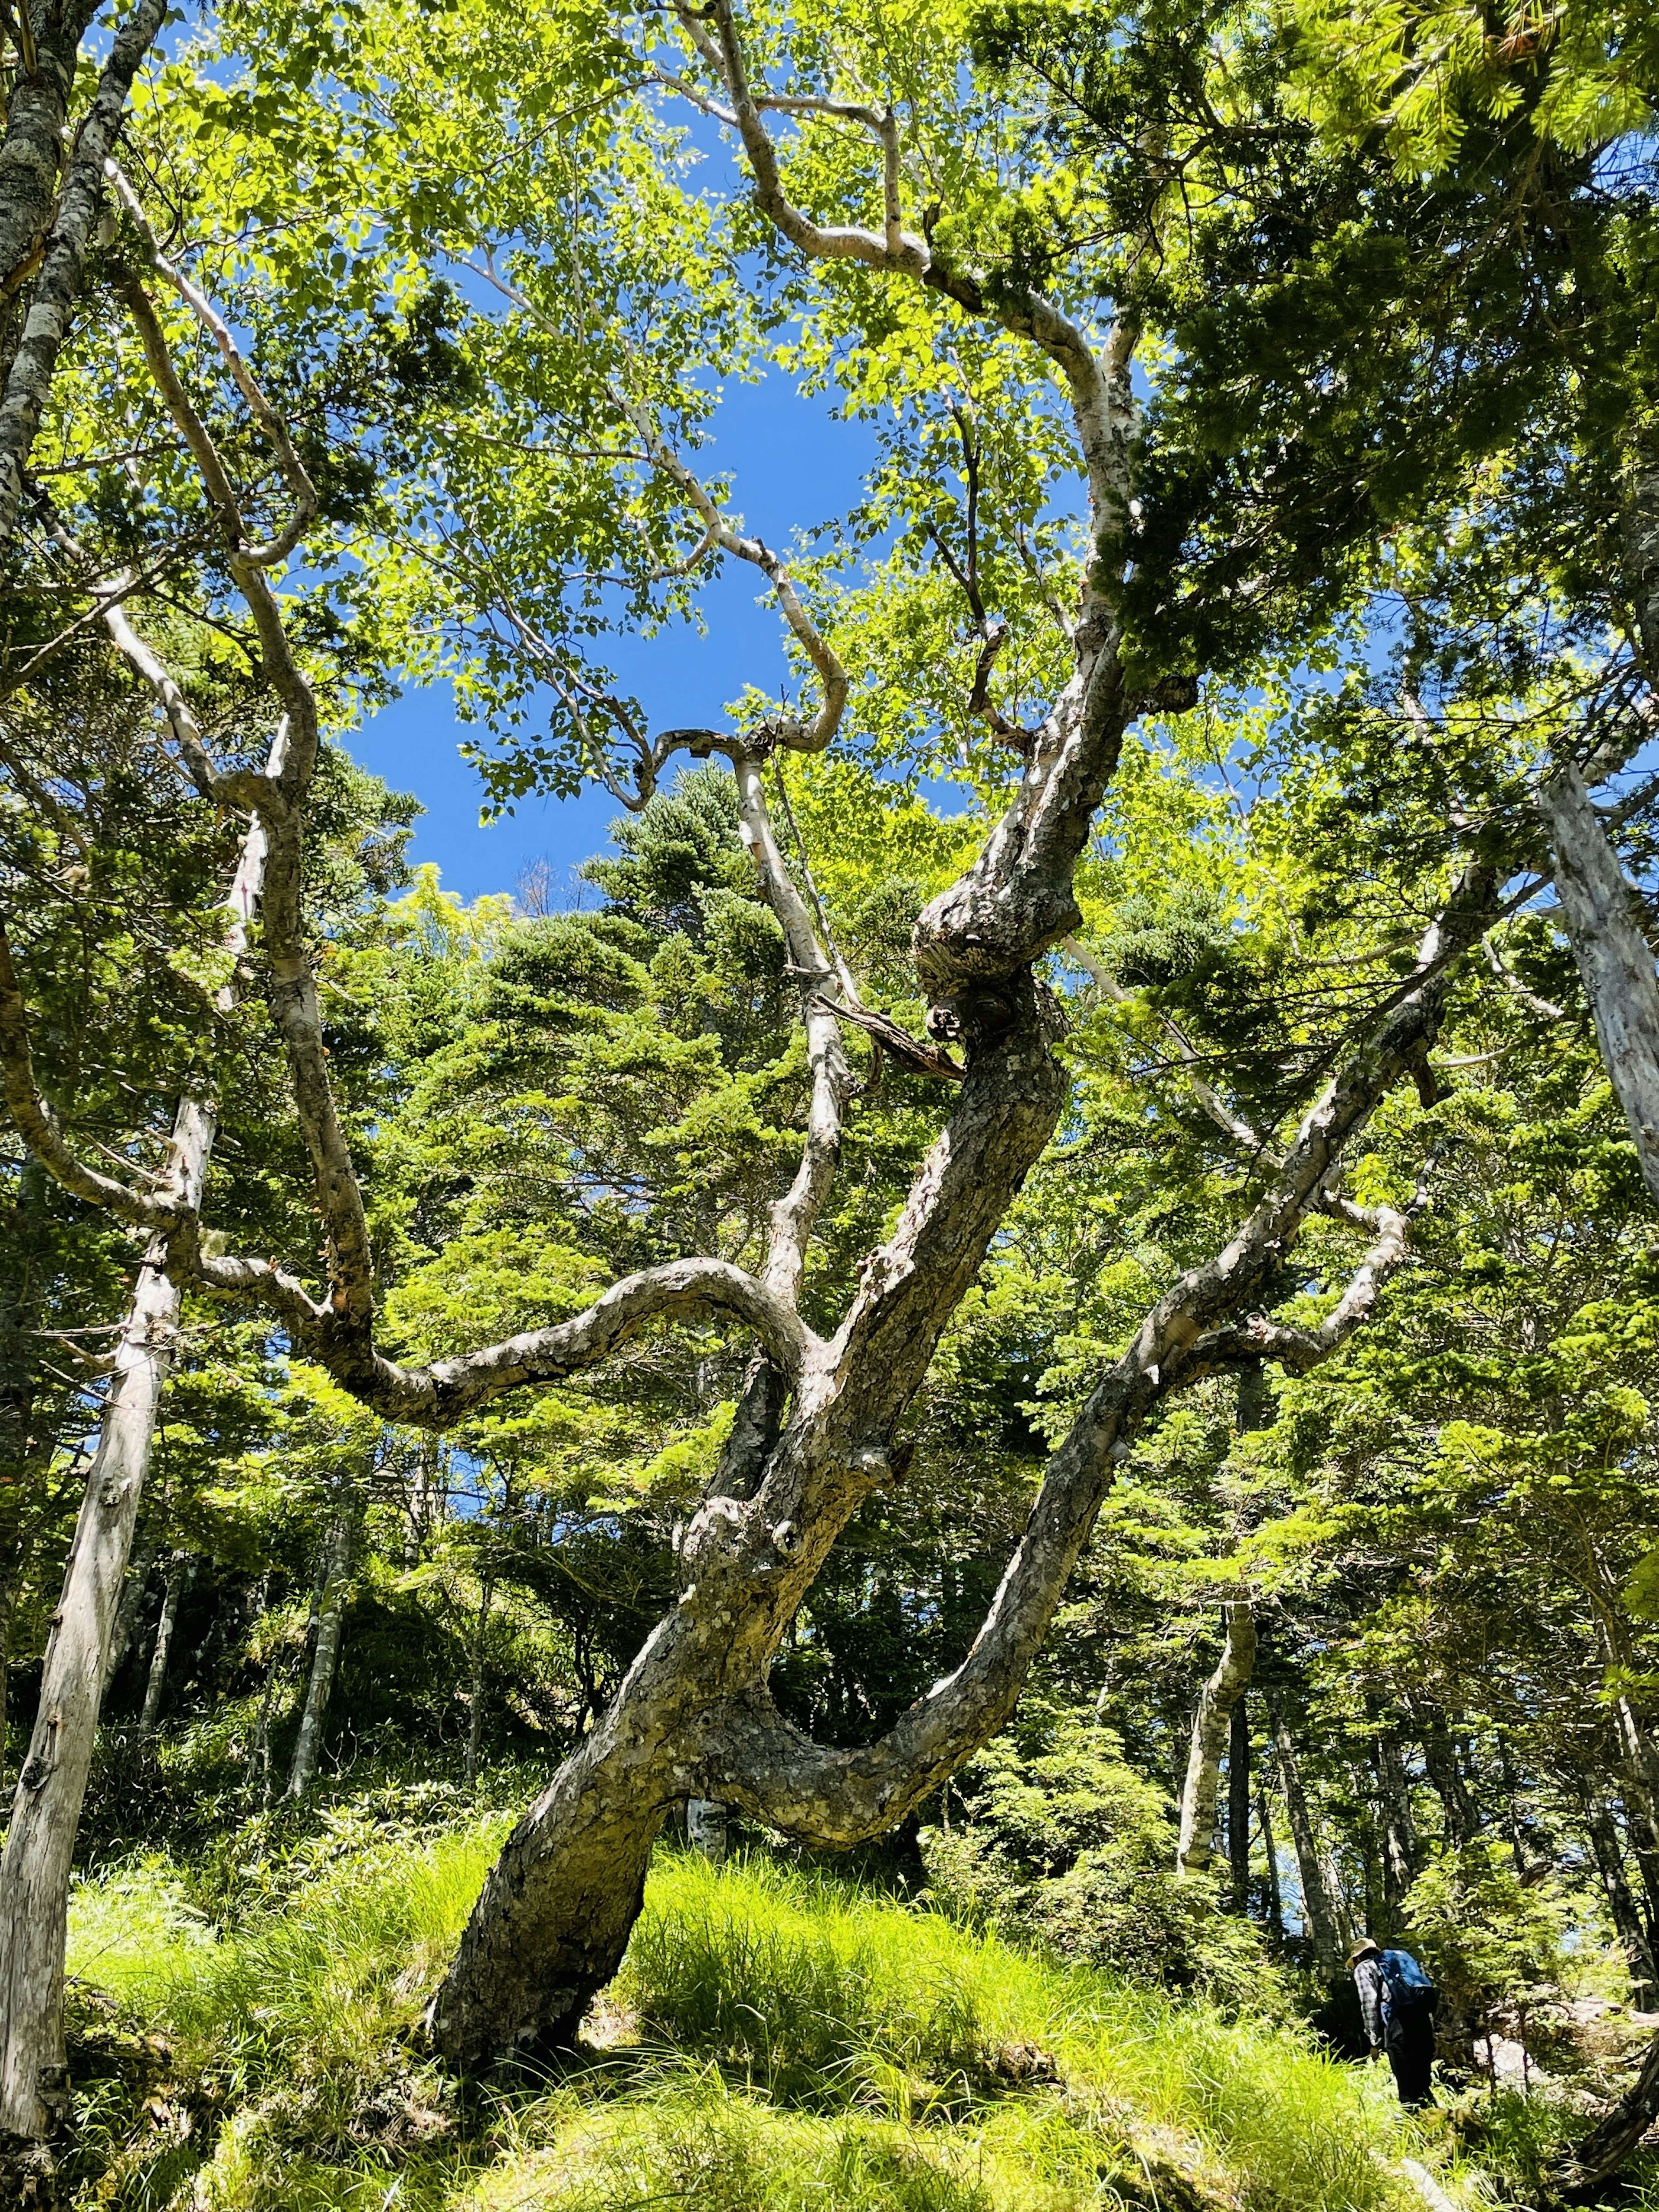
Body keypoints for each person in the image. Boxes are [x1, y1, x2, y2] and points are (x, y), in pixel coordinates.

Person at [1348, 1936, 1437, 2108]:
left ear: (1358, 1957)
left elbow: (1369, 2002)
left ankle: (1413, 2122)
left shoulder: (1364, 1967)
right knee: (1422, 2082)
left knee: (1406, 2081)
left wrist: (1374, 2040)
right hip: (1422, 2018)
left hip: (1398, 2021)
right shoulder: (1401, 1959)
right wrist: (1432, 2033)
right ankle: (1437, 2120)